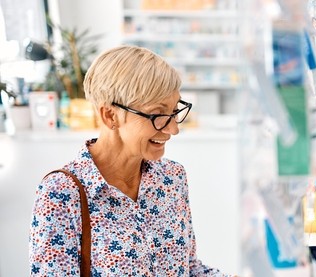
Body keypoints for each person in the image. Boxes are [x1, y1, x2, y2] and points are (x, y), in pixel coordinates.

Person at [29, 45, 231, 276]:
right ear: (110, 115)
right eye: (158, 115)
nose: (174, 129)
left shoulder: (172, 178)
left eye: (175, 111)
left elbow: (189, 268)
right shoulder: (61, 193)